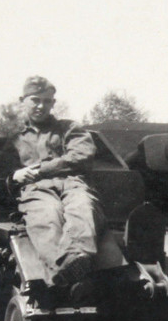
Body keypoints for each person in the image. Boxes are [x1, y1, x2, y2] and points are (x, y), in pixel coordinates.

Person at [9, 76, 106, 292]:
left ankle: (75, 262)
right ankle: (68, 276)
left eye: (47, 101)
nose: (41, 106)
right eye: (35, 100)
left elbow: (81, 156)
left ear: (54, 103)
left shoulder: (70, 128)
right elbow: (3, 172)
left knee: (82, 207)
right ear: (22, 101)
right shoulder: (14, 140)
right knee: (46, 216)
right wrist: (14, 178)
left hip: (73, 183)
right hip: (37, 190)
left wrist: (40, 169)